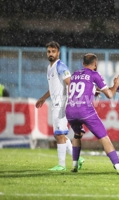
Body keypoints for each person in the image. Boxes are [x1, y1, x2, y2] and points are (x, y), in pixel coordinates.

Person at [65, 53, 119, 175]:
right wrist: (116, 84)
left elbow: (78, 89)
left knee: (77, 134)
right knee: (104, 138)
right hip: (84, 110)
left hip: (70, 110)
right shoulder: (94, 74)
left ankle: (75, 165)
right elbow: (110, 95)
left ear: (83, 64)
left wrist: (93, 91)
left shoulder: (75, 74)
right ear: (95, 64)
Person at [35, 41, 84, 171]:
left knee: (59, 134)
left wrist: (72, 100)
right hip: (55, 102)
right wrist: (43, 98)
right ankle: (78, 158)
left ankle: (62, 165)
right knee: (60, 133)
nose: (50, 54)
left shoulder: (61, 66)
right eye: (49, 52)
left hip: (61, 103)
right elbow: (53, 87)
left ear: (58, 52)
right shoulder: (49, 67)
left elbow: (70, 83)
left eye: (53, 51)